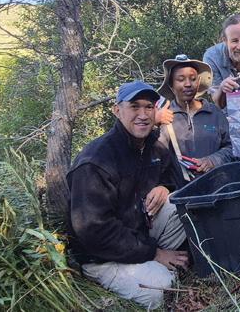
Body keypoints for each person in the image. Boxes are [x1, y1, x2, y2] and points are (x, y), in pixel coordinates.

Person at [67, 81, 188, 309]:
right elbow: (96, 232)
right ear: (117, 110)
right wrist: (154, 253)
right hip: (102, 255)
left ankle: (154, 266)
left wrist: (164, 187)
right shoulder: (96, 161)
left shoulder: (153, 146)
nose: (143, 115)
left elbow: (174, 179)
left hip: (139, 230)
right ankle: (118, 277)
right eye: (134, 107)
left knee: (182, 206)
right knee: (164, 290)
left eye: (149, 107)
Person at [157, 54, 233, 179]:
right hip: (181, 192)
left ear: (198, 83)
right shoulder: (164, 117)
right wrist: (155, 122)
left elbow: (232, 147)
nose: (188, 84)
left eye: (192, 79)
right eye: (181, 80)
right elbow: (156, 158)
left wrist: (213, 160)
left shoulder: (214, 113)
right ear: (171, 86)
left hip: (217, 187)